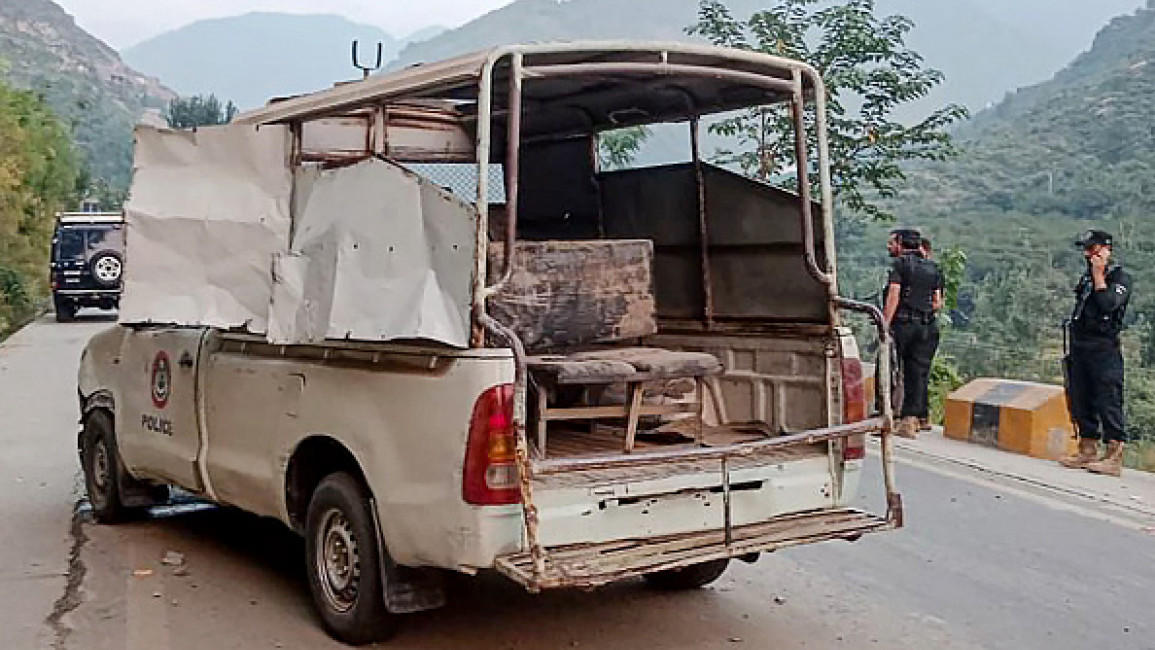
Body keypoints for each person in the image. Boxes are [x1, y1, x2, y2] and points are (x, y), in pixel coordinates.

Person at [1059, 229, 1132, 476]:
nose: (1088, 255)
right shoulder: (1087, 278)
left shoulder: (1120, 277)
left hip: (1104, 347)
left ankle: (1113, 455)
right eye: (1086, 250)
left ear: (1105, 249)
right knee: (1081, 396)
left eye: (1092, 249)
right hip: (1081, 345)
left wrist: (1100, 275)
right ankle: (1087, 448)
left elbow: (1108, 304)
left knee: (1107, 398)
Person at [883, 229, 943, 438]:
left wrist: (885, 323)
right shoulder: (933, 268)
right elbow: (937, 302)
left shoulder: (900, 265)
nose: (890, 247)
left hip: (904, 324)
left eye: (892, 243)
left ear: (900, 243)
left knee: (893, 369)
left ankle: (895, 417)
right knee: (918, 372)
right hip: (928, 325)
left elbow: (894, 296)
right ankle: (916, 418)